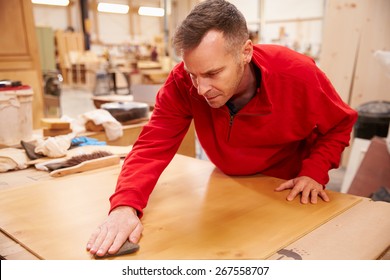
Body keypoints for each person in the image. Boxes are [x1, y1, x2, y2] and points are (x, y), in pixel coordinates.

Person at [87, 0, 357, 257]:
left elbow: (340, 123)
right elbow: (152, 145)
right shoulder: (182, 82)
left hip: (285, 188)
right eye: (194, 74)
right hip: (228, 181)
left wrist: (314, 171)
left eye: (213, 73)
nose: (200, 89)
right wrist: (124, 205)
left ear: (246, 52)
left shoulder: (297, 74)